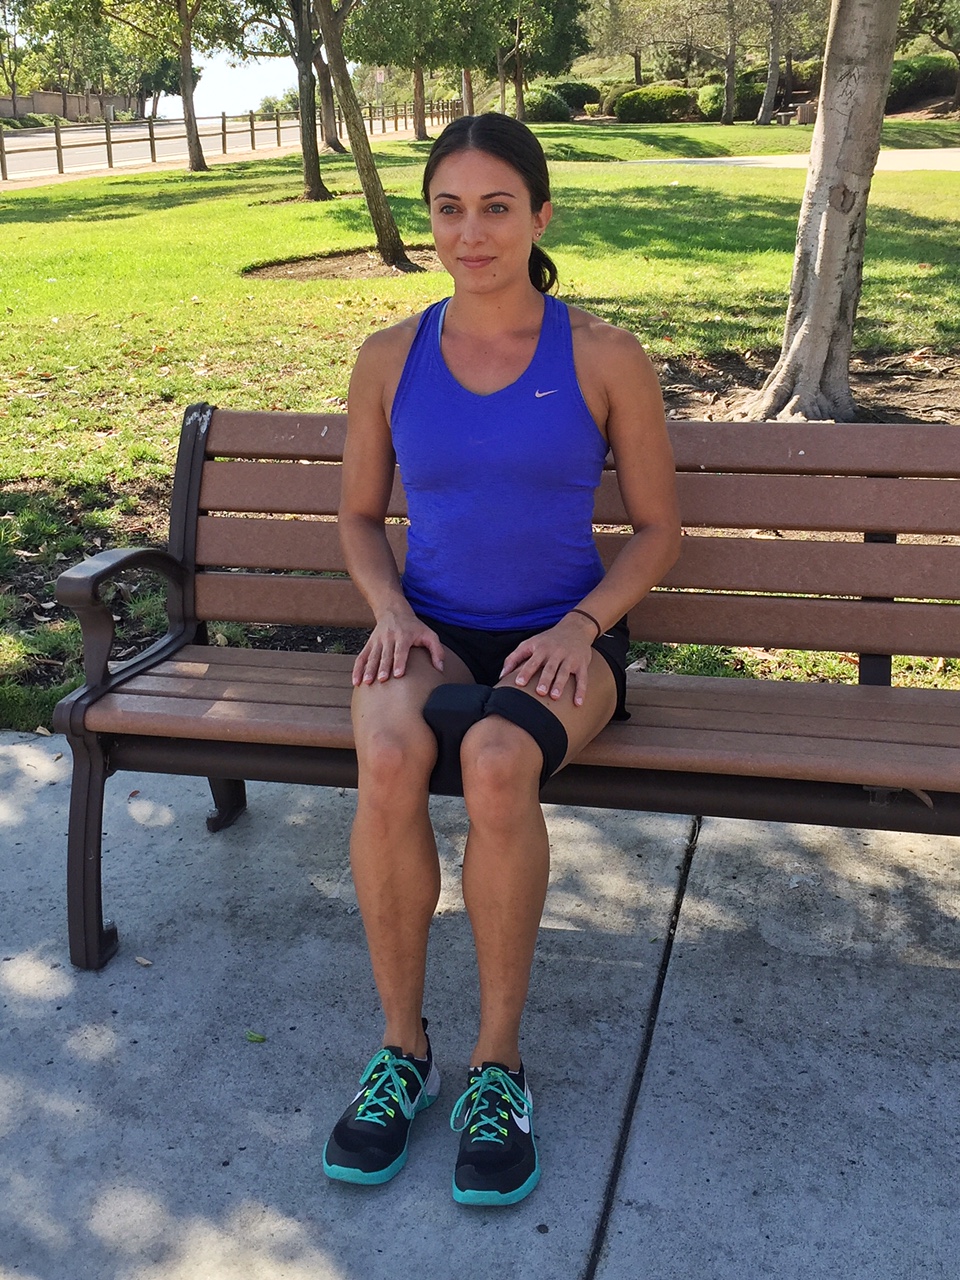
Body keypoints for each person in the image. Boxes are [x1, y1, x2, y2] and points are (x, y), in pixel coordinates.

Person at [323, 113, 680, 1207]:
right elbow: (355, 516)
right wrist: (387, 609)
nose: (470, 233)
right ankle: (400, 1051)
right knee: (387, 757)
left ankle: (497, 1065)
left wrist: (580, 625)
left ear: (539, 216)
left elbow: (660, 530)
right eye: (448, 208)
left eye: (495, 207)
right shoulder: (390, 356)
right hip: (427, 628)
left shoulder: (605, 355)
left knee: (491, 759)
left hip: (564, 637)